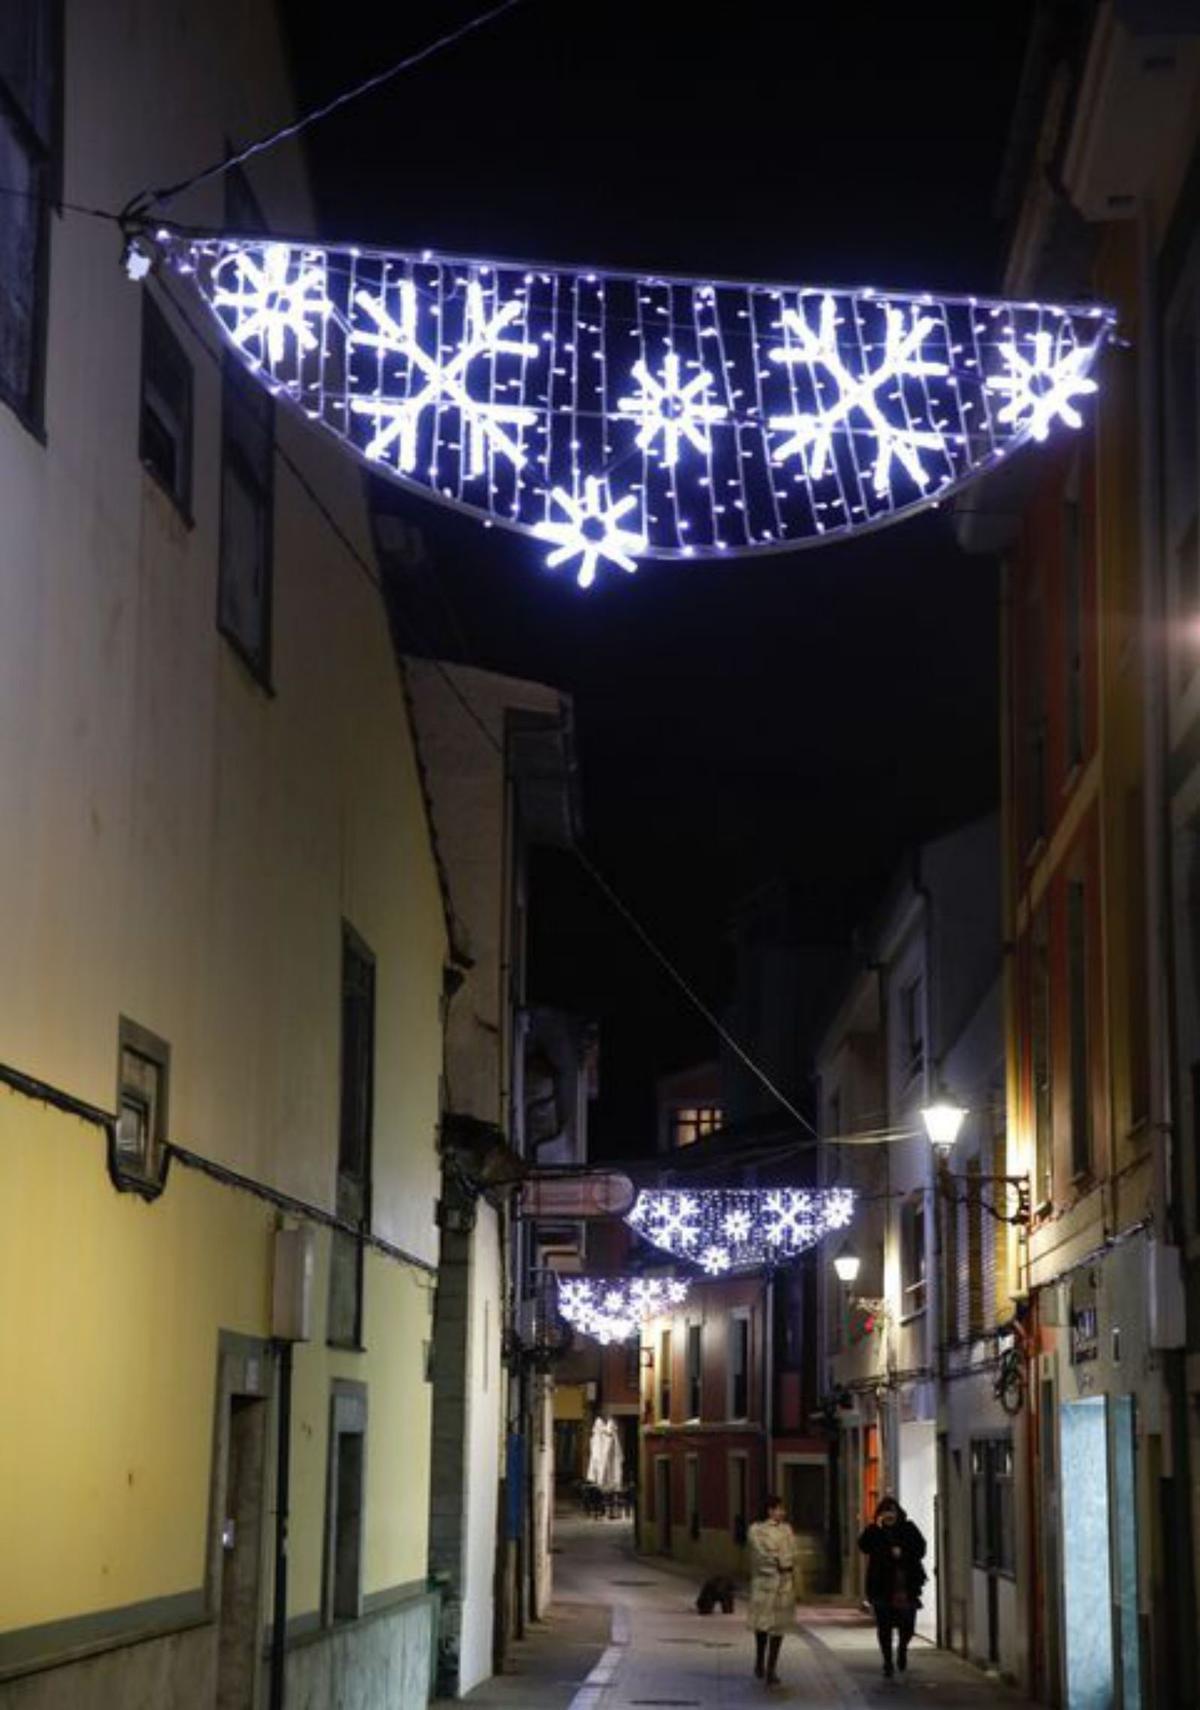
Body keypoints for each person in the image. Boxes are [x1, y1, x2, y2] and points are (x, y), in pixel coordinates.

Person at [858, 1495, 927, 1678]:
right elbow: (863, 1546)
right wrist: (874, 1527)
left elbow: (921, 1549)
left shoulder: (908, 1528)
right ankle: (887, 1661)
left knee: (908, 1625)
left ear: (898, 1513)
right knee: (884, 1626)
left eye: (892, 1511)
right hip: (881, 1586)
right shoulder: (875, 1531)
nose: (889, 1515)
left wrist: (902, 1552)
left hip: (906, 1585)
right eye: (885, 1512)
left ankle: (902, 1648)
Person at [746, 1495, 796, 1687]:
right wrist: (779, 1561)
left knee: (779, 1627)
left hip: (784, 1584)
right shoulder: (756, 1530)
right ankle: (759, 1659)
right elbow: (760, 1554)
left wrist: (786, 1563)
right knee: (762, 1625)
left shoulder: (787, 1530)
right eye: (778, 1509)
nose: (782, 1512)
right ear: (769, 1510)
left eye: (783, 1509)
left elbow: (792, 1552)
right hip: (764, 1584)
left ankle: (771, 1668)